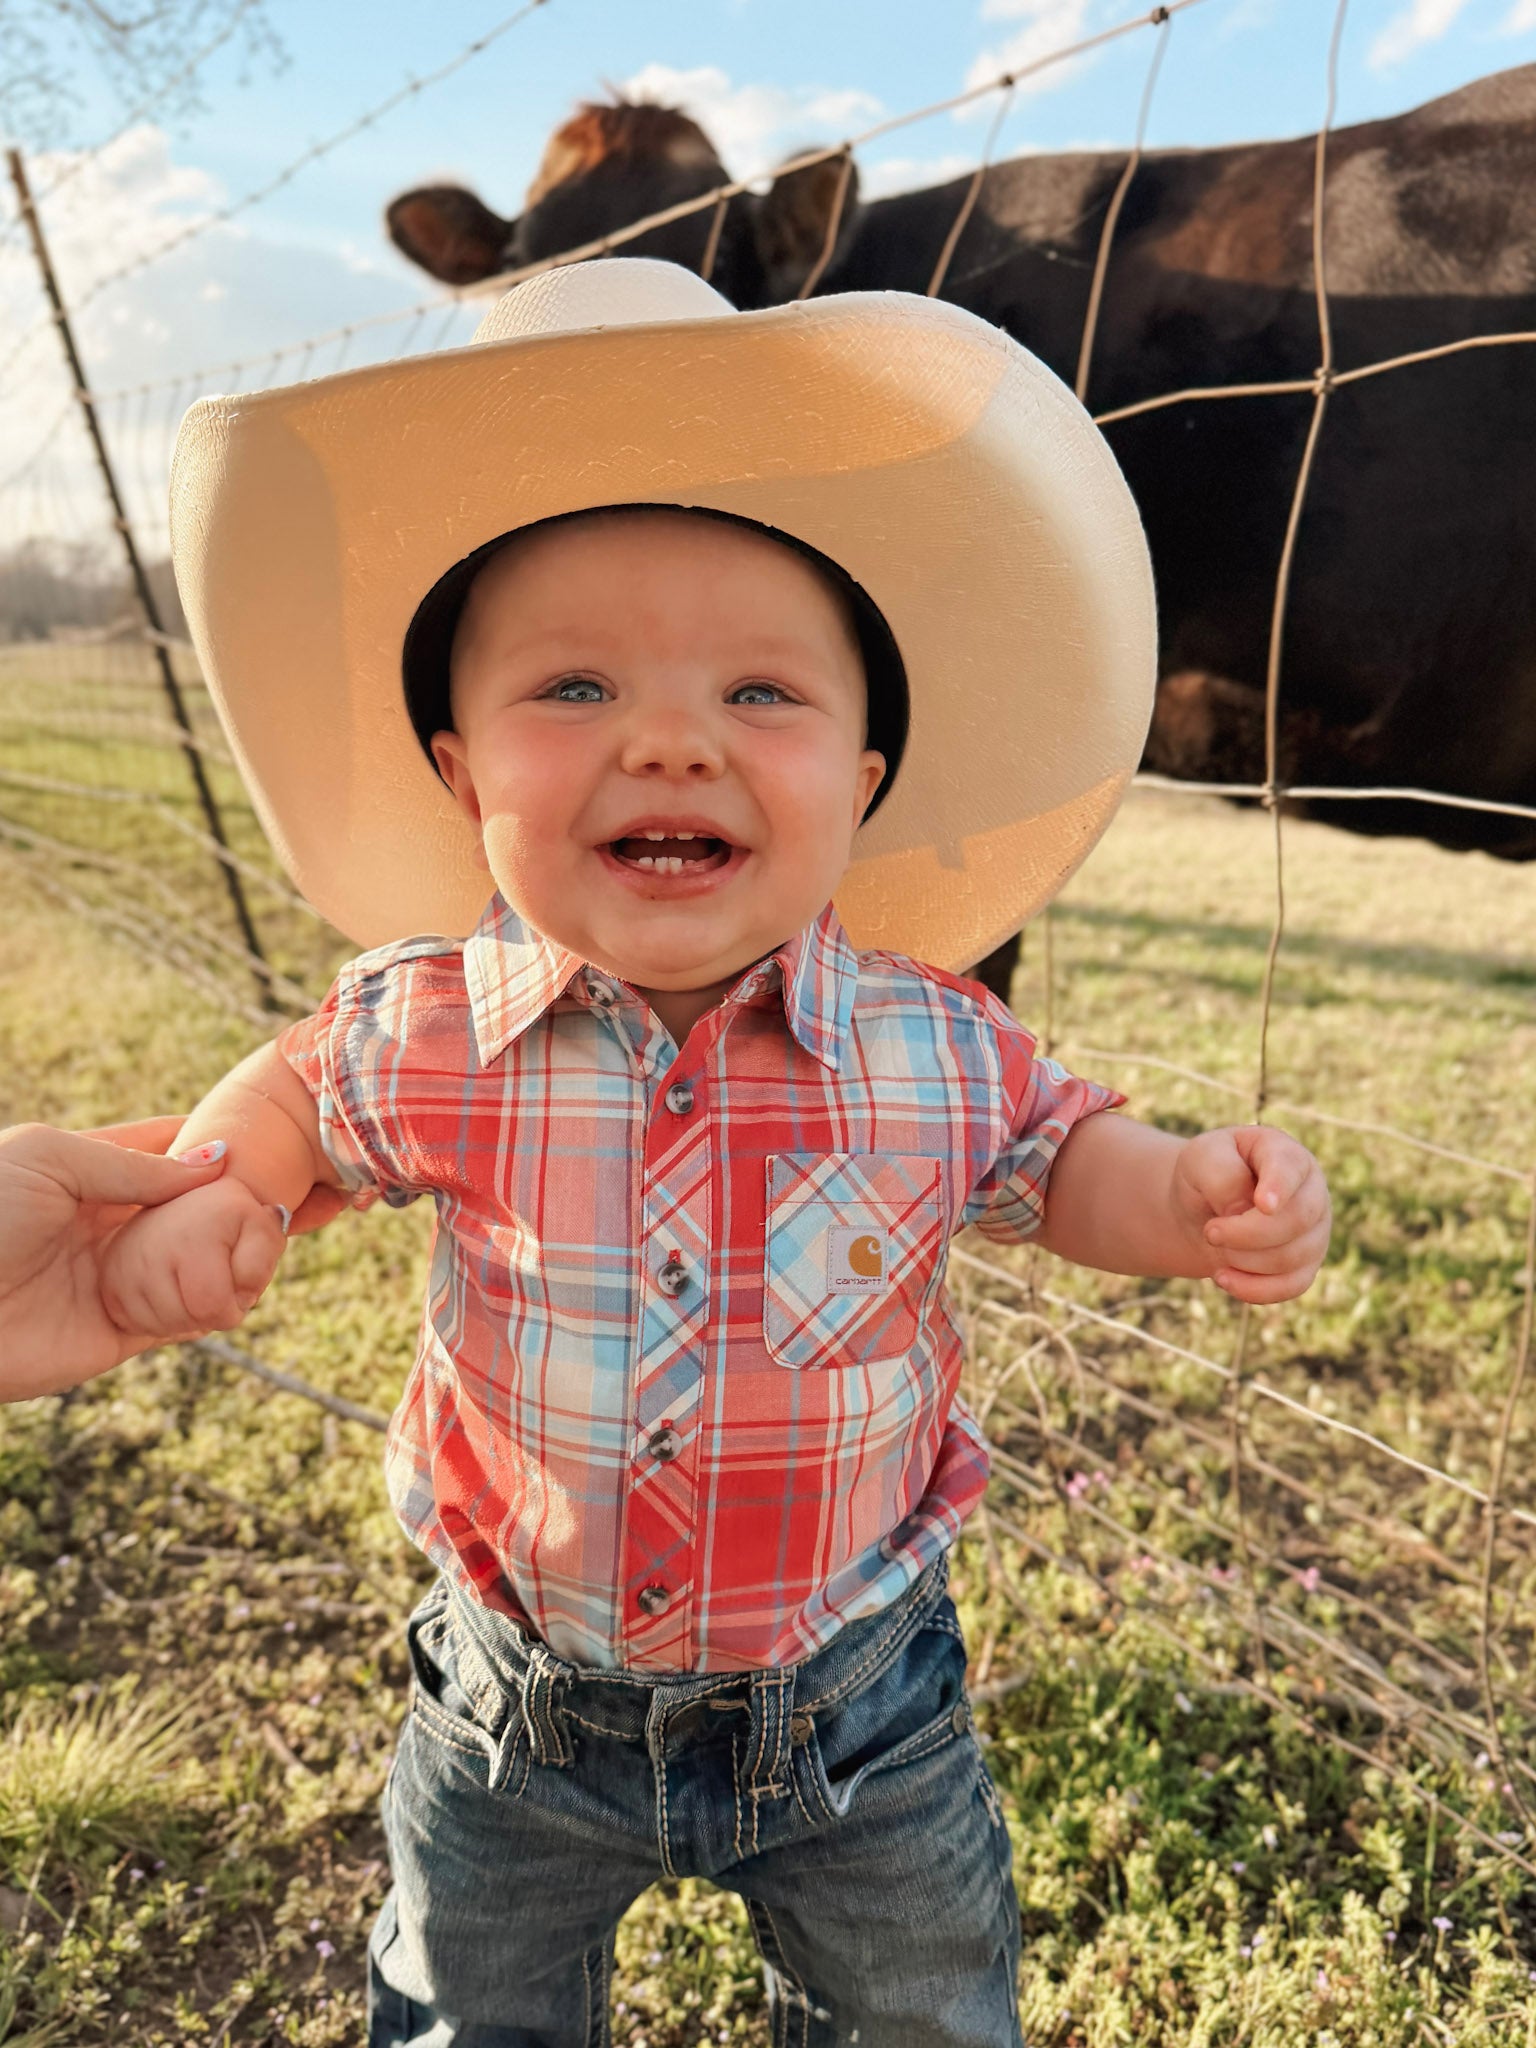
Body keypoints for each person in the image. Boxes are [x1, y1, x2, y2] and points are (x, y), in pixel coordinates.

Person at [29, 260, 1329, 2047]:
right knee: (467, 2011)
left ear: (865, 773)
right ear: (453, 764)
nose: (669, 737)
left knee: (923, 2015)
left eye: (764, 695)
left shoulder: (935, 1042)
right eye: (570, 687)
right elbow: (298, 1093)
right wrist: (229, 1183)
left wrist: (1181, 1197)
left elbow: (1058, 1159)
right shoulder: (430, 1025)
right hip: (517, 1711)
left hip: (859, 1703)